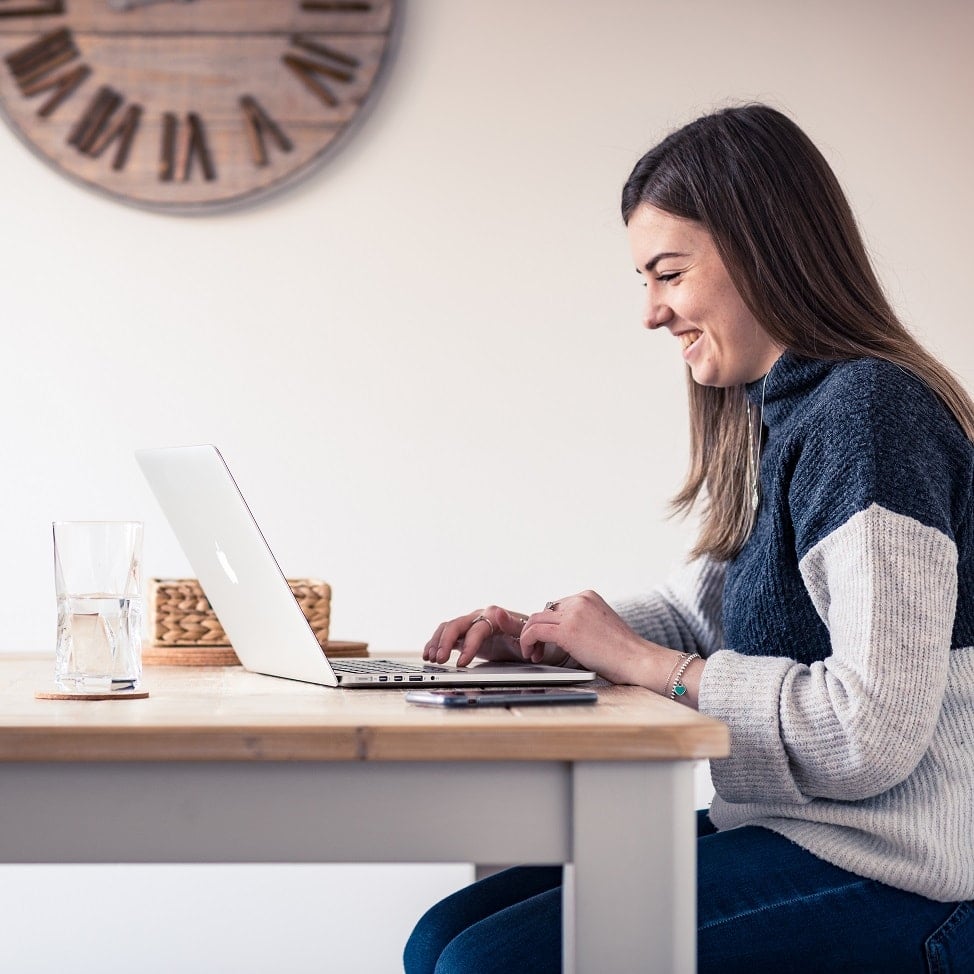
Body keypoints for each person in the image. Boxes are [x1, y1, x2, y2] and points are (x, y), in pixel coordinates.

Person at [402, 103, 974, 973]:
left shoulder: (871, 417)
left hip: (913, 871)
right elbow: (703, 611)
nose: (651, 313)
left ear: (762, 248)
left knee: (485, 963)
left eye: (667, 274)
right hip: (808, 831)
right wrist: (554, 638)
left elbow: (870, 731)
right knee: (443, 938)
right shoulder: (786, 412)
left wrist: (646, 665)